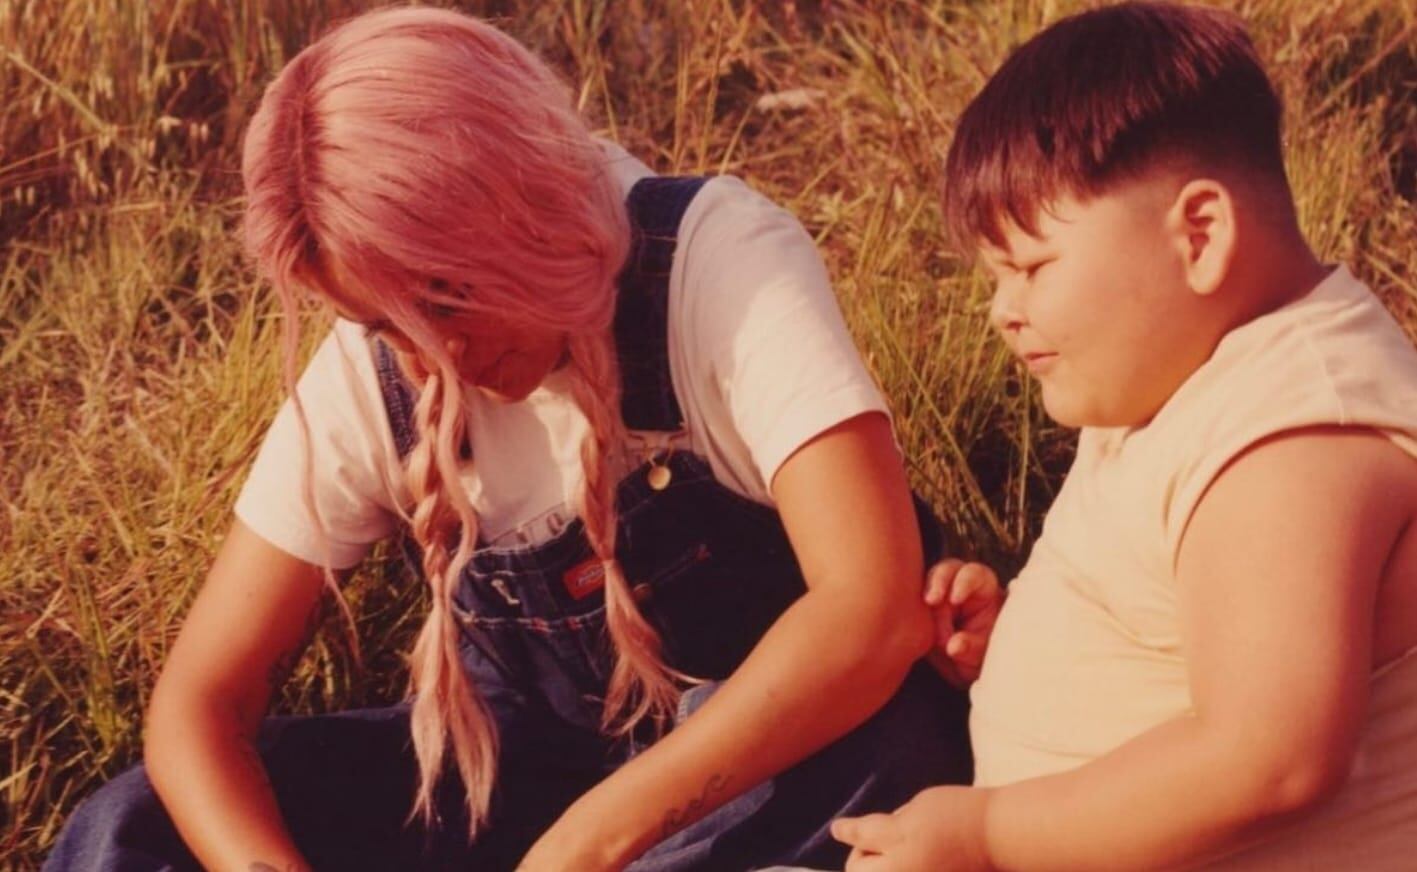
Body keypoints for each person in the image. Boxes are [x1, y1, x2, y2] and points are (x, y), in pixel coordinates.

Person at [42, 7, 997, 872]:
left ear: (522, 199)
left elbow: (869, 609)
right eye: (383, 325)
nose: (438, 358)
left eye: (447, 294)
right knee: (137, 823)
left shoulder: (714, 260)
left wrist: (588, 844)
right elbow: (202, 704)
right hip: (524, 779)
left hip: (752, 761)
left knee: (882, 745)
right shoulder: (372, 375)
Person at [830, 2, 1417, 869]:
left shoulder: (1293, 447)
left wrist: (985, 837)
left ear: (1199, 234)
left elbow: (1268, 760)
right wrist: (1026, 640)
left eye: (1031, 267)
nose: (1001, 310)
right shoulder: (1181, 373)